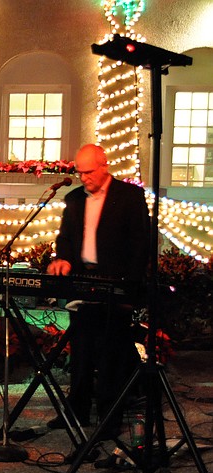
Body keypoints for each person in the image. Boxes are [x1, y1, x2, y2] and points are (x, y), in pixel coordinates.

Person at [46, 143, 149, 436]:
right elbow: (65, 238)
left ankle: (109, 420)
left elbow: (139, 246)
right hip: (83, 281)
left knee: (111, 357)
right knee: (80, 352)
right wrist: (61, 258)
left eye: (89, 171)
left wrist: (129, 290)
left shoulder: (129, 196)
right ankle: (76, 413)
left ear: (104, 165)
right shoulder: (74, 198)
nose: (84, 177)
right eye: (79, 172)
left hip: (115, 284)